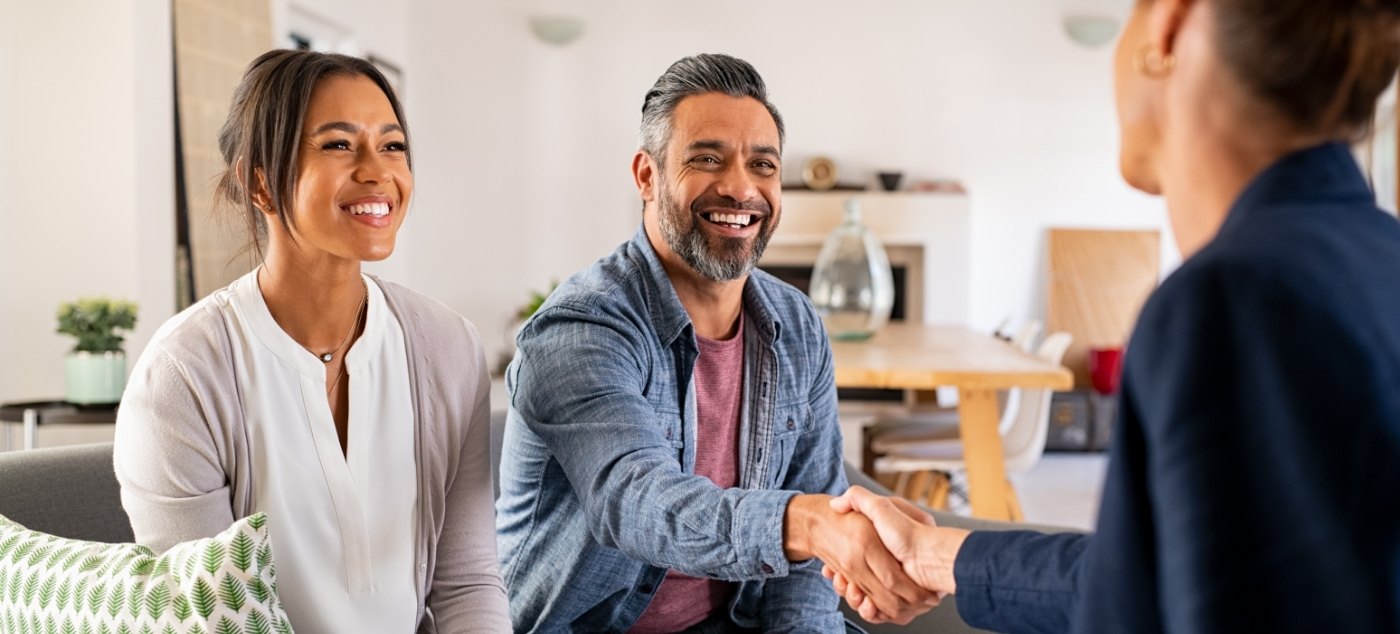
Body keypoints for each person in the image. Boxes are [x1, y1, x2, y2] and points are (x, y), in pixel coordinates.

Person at [825, 0, 1400, 632]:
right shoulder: (1377, 258)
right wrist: (938, 556)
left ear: (1169, 25)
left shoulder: (1236, 299)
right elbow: (1164, 576)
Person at [495, 53, 937, 632]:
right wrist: (809, 525)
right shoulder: (581, 329)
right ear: (647, 176)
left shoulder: (796, 323)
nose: (740, 188)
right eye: (707, 159)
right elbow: (637, 503)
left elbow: (810, 557)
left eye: (763, 165)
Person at [113, 50, 509, 633]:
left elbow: (468, 580)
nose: (379, 171)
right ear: (261, 182)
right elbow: (207, 617)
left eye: (393, 145)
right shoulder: (183, 374)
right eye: (338, 144)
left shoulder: (448, 347)